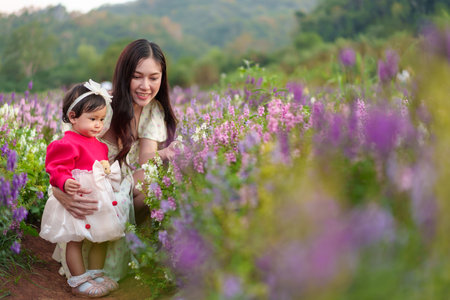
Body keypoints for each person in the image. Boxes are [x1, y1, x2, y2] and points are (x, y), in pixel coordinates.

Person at [51, 39, 179, 282]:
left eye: (154, 77)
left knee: (155, 181)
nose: (145, 86)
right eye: (137, 76)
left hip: (119, 183)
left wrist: (168, 154)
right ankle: (88, 266)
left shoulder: (154, 110)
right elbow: (66, 153)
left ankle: (138, 247)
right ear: (124, 75)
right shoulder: (103, 107)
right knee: (142, 183)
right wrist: (59, 190)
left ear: (162, 78)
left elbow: (146, 160)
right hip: (88, 181)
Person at [40, 79, 126, 297]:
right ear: (73, 117)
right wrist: (64, 181)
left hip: (98, 199)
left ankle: (96, 274)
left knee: (101, 236)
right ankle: (78, 280)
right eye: (93, 119)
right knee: (75, 238)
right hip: (79, 198)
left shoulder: (100, 145)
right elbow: (55, 167)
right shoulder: (67, 142)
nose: (98, 125)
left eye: (101, 119)